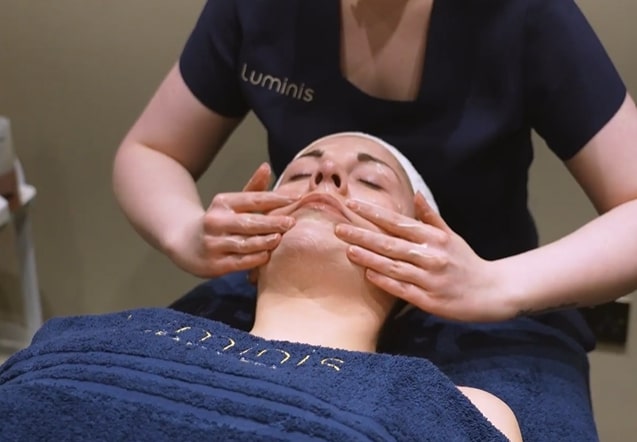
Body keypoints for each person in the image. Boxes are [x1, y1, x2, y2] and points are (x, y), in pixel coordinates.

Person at [112, 0, 637, 439]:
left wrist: (496, 285)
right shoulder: (260, 9)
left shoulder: (526, 16)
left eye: (367, 182)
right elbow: (152, 149)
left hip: (484, 311)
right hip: (287, 283)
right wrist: (185, 231)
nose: (331, 177)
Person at [0, 133, 522, 441]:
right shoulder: (75, 340)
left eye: (370, 182)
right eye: (298, 176)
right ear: (249, 252)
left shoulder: (463, 411)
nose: (327, 176)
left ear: (416, 265)